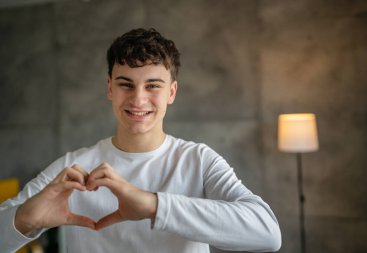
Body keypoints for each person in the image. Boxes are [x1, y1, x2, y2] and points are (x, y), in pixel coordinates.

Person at [0, 28, 281, 253]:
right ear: (110, 88)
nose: (138, 99)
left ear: (171, 92)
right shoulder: (73, 167)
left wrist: (153, 206)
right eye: (126, 84)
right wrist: (24, 219)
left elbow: (267, 233)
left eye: (152, 86)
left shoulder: (199, 160)